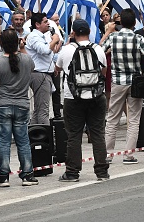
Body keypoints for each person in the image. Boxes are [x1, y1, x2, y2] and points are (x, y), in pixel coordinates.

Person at [55, 19, 109, 182]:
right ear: (88, 32)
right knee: (98, 133)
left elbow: (57, 68)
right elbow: (104, 71)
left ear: (73, 33)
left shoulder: (66, 50)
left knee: (74, 135)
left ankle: (72, 172)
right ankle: (102, 171)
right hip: (97, 96)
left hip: (73, 97)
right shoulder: (98, 49)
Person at [0, 29, 38, 187]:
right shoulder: (27, 60)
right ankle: (27, 174)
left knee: (4, 142)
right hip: (21, 104)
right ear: (17, 42)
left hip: (2, 105)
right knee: (23, 141)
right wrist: (22, 48)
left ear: (2, 44)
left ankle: (3, 175)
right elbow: (31, 66)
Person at [101, 8, 144, 164]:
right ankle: (128, 155)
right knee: (133, 118)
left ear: (120, 22)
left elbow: (99, 51)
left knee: (112, 118)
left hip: (117, 81)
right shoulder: (138, 39)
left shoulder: (113, 38)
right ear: (134, 23)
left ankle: (107, 154)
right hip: (135, 81)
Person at [25, 12, 62, 124]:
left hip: (45, 74)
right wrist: (55, 40)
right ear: (37, 24)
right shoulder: (33, 37)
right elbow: (45, 51)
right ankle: (45, 138)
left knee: (38, 109)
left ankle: (35, 135)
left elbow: (50, 52)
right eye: (45, 22)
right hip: (39, 75)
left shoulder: (41, 36)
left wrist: (53, 67)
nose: (48, 24)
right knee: (43, 110)